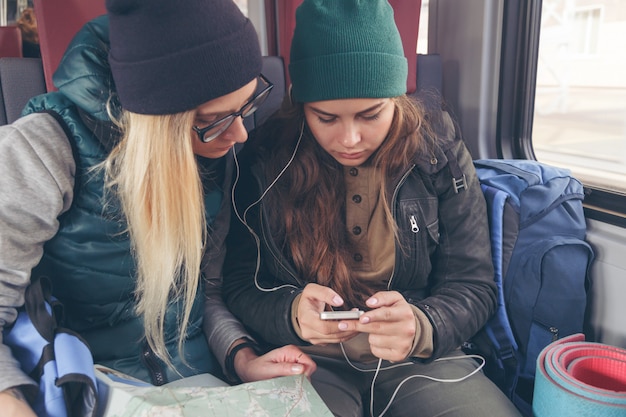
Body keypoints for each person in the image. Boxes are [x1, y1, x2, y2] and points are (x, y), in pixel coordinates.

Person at [0, 0, 316, 415]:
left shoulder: (215, 160)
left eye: (248, 104)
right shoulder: (42, 153)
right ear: (160, 123)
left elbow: (207, 295)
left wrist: (242, 359)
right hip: (91, 389)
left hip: (203, 388)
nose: (240, 134)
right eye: (217, 119)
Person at [222, 0, 523, 416]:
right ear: (301, 104)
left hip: (421, 356)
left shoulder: (439, 152)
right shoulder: (265, 158)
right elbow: (240, 284)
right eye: (326, 118)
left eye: (371, 115)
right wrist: (291, 313)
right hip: (307, 357)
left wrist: (423, 324)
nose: (350, 139)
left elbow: (474, 285)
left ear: (396, 99)